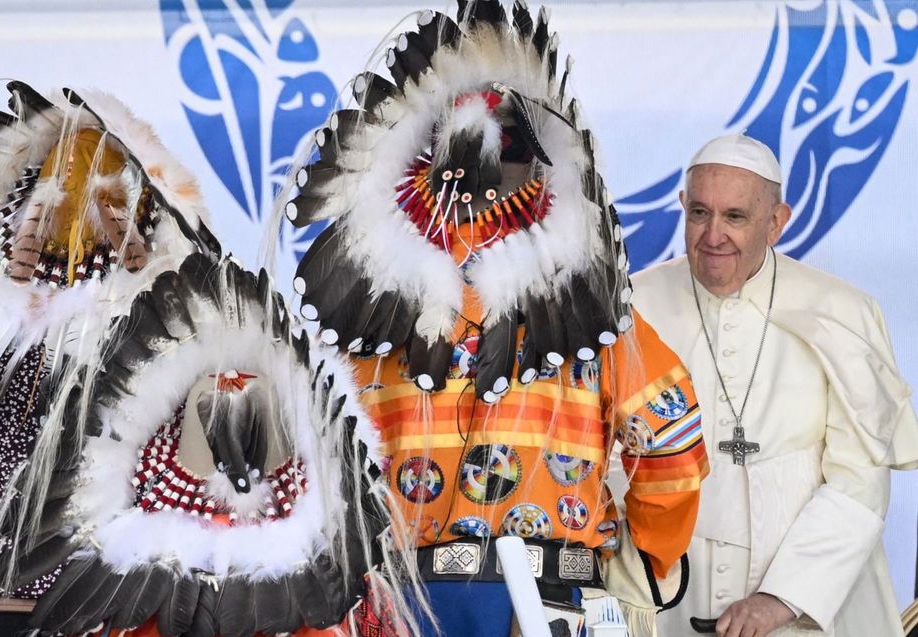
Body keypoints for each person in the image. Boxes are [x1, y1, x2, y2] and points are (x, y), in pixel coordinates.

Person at [282, 3, 709, 635]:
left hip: (404, 603)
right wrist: (646, 556)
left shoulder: (360, 305)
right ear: (539, 168)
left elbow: (308, 463)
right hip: (552, 593)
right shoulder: (589, 304)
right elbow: (670, 439)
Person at [0, 81, 213, 637]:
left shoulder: (169, 348)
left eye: (104, 216)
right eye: (58, 216)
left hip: (124, 616)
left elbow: (220, 492)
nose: (75, 234)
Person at [633, 133, 918, 637]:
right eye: (699, 213)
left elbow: (861, 480)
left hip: (809, 602)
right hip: (666, 594)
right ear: (681, 207)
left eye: (736, 217)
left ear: (777, 222)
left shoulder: (844, 311)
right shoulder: (634, 305)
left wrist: (782, 597)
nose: (713, 235)